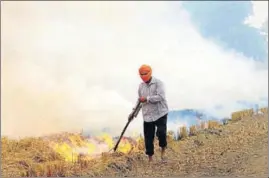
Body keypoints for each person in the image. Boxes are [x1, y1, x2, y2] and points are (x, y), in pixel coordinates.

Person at [133, 64, 169, 163]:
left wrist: (147, 99)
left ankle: (163, 152)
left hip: (160, 112)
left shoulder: (158, 83)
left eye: (145, 74)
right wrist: (133, 113)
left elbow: (160, 97)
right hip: (147, 115)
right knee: (148, 137)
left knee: (161, 133)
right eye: (141, 74)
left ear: (150, 73)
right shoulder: (141, 87)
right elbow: (139, 101)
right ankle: (150, 158)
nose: (143, 76)